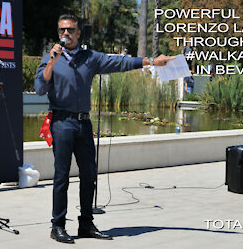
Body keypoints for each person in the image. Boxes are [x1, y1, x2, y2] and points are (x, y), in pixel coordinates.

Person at [34, 14, 175, 244]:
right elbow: (40, 87)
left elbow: (120, 62)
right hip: (61, 123)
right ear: (58, 33)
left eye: (70, 30)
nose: (65, 34)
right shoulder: (50, 57)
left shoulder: (90, 57)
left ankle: (86, 224)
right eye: (61, 30)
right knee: (61, 177)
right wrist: (52, 60)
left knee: (89, 174)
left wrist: (151, 61)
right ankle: (57, 226)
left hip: (83, 123)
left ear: (79, 33)